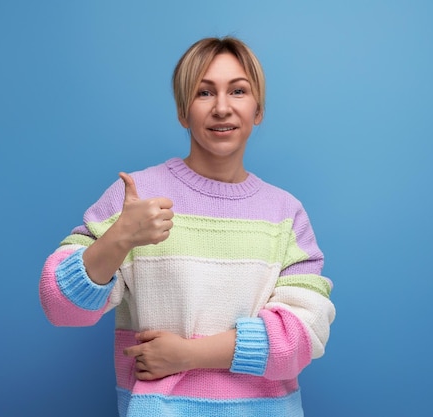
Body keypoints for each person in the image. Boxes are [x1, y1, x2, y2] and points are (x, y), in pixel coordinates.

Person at [39, 36, 335, 417]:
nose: (222, 108)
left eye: (238, 91)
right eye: (204, 93)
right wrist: (119, 238)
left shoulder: (285, 213)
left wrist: (189, 355)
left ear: (258, 109)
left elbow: (303, 336)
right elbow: (60, 307)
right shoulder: (135, 198)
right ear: (183, 112)